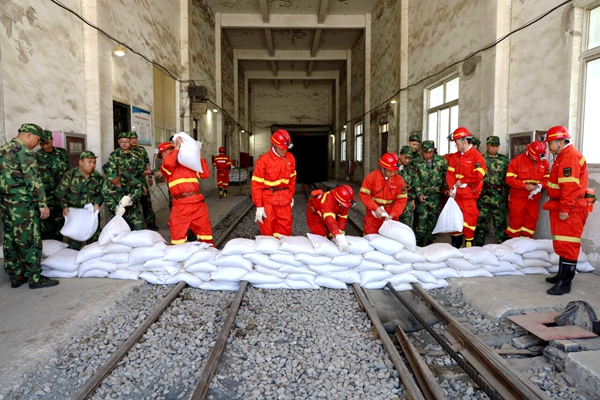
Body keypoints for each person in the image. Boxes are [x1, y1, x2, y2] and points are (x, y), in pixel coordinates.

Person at [0, 123, 58, 289]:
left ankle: (16, 276)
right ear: (29, 135)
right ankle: (35, 278)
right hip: (23, 204)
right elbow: (33, 180)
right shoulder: (24, 151)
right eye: (37, 140)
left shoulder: (3, 150)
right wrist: (42, 204)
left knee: (10, 239)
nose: (36, 144)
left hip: (5, 203)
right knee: (29, 239)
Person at [542, 126, 589, 295]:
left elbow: (569, 187)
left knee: (568, 244)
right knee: (562, 243)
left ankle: (565, 283)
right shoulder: (563, 156)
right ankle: (561, 276)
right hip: (565, 206)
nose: (549, 147)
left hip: (570, 209)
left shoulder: (570, 157)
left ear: (560, 142)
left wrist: (564, 208)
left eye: (550, 144)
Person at [158, 138, 214, 245]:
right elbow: (169, 163)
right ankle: (179, 254)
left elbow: (205, 174)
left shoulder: (188, 164)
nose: (165, 155)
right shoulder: (165, 168)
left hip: (198, 204)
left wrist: (199, 158)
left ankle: (209, 252)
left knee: (205, 234)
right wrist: (177, 147)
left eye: (167, 152)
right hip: (181, 205)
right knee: (178, 237)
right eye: (163, 154)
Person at [251, 129, 297, 237]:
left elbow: (292, 180)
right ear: (274, 145)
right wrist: (259, 206)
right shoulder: (263, 160)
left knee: (285, 230)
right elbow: (256, 185)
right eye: (282, 148)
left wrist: (290, 196)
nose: (284, 150)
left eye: (286, 148)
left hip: (284, 200)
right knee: (267, 230)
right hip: (268, 201)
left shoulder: (290, 158)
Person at [55, 151, 105, 250]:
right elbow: (59, 193)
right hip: (75, 213)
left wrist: (97, 204)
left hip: (90, 212)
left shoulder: (98, 177)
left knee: (94, 241)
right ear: (80, 162)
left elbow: (100, 193)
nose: (92, 165)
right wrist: (64, 206)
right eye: (89, 162)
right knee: (74, 241)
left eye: (94, 162)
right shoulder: (70, 175)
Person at [446, 127, 486, 248]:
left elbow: (479, 175)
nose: (455, 145)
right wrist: (451, 188)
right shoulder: (455, 157)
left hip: (469, 196)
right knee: (454, 223)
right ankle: (456, 248)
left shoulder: (476, 156)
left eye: (456, 142)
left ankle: (468, 250)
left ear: (464, 141)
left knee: (469, 224)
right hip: (456, 196)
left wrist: (463, 180)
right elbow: (450, 174)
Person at [505, 140, 549, 239]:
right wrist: (524, 186)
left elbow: (547, 178)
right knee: (516, 221)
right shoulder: (517, 161)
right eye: (534, 157)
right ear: (528, 152)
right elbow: (509, 179)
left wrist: (540, 186)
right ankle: (513, 243)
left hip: (533, 199)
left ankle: (525, 243)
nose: (535, 160)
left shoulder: (543, 162)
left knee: (531, 221)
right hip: (518, 198)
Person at [359, 152, 408, 234]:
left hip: (390, 217)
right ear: (383, 168)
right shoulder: (371, 177)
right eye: (390, 171)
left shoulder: (399, 181)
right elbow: (364, 195)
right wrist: (376, 208)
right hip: (373, 216)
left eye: (394, 171)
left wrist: (392, 215)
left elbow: (401, 200)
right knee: (370, 237)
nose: (393, 173)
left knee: (390, 238)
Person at [474, 136, 509, 246]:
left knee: (500, 222)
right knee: (480, 222)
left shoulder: (504, 160)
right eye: (491, 146)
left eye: (496, 146)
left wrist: (507, 194)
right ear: (487, 145)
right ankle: (478, 246)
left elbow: (508, 178)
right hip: (483, 195)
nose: (494, 148)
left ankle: (503, 246)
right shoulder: (479, 158)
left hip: (498, 195)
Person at [35, 130, 70, 240]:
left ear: (52, 139)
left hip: (61, 196)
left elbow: (69, 173)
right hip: (46, 197)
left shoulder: (62, 153)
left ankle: (59, 246)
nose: (45, 146)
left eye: (47, 143)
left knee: (61, 225)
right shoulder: (36, 156)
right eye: (42, 144)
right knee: (46, 227)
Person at [413, 140, 448, 246]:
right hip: (422, 197)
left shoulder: (441, 161)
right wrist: (419, 193)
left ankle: (430, 243)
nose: (428, 155)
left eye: (430, 152)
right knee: (421, 221)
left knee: (433, 221)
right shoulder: (416, 162)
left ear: (433, 150)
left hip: (435, 196)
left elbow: (446, 176)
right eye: (425, 152)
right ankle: (419, 244)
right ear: (421, 151)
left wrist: (447, 188)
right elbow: (415, 179)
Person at [306, 185, 356, 252]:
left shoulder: (344, 202)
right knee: (322, 239)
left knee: (334, 234)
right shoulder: (326, 203)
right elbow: (330, 220)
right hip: (315, 217)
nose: (345, 206)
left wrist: (340, 231)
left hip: (328, 215)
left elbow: (342, 218)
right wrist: (338, 235)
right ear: (338, 200)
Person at [129, 131, 159, 230]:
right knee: (133, 202)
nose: (134, 140)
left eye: (135, 138)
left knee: (147, 201)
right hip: (131, 181)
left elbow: (147, 163)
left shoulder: (141, 150)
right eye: (131, 138)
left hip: (142, 179)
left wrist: (150, 177)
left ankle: (151, 223)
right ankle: (134, 224)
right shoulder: (125, 151)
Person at [102, 163, 144, 230]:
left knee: (138, 232)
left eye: (116, 176)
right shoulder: (106, 189)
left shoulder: (126, 176)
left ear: (119, 170)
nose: (115, 180)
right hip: (120, 216)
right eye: (112, 178)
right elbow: (111, 205)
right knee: (122, 234)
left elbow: (138, 186)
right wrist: (117, 208)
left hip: (134, 212)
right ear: (105, 175)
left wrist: (130, 197)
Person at [398, 146, 417, 227]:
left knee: (406, 225)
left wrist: (412, 199)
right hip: (395, 201)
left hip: (407, 202)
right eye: (405, 158)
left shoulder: (411, 169)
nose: (407, 160)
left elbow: (413, 185)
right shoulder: (393, 168)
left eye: (409, 159)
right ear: (400, 155)